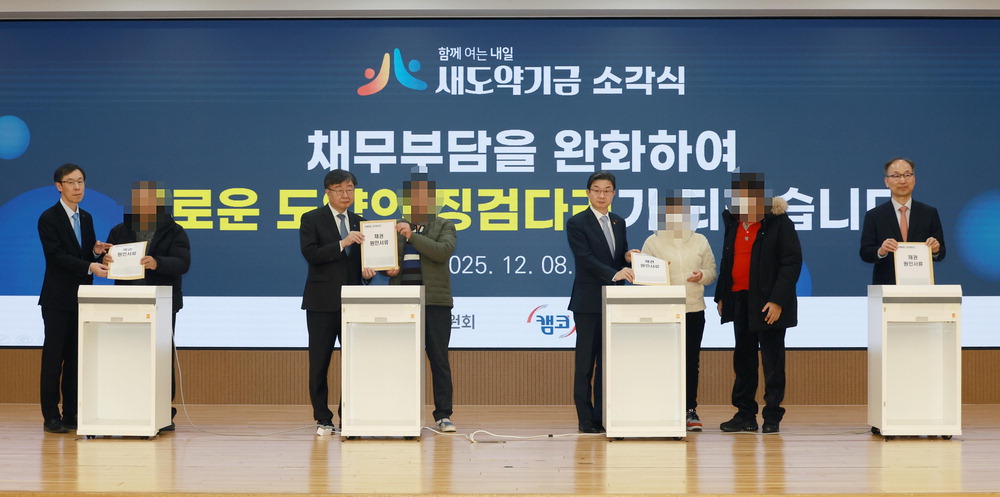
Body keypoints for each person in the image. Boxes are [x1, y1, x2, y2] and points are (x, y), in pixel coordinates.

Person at [714, 172, 801, 434]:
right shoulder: (733, 223)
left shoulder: (779, 223)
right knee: (743, 360)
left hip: (768, 303)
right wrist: (722, 295)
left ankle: (772, 416)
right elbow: (727, 260)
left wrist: (777, 301)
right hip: (739, 299)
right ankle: (745, 415)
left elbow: (791, 263)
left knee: (772, 362)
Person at [103, 181, 190, 431]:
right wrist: (104, 258)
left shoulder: (174, 231)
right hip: (126, 302)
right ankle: (126, 407)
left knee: (160, 357)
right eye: (138, 201)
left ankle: (163, 411)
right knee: (127, 355)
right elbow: (107, 261)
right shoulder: (120, 230)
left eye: (149, 200)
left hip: (160, 304)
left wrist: (157, 262)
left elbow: (183, 263)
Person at [299, 169, 374, 432]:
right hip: (321, 303)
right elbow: (311, 254)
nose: (346, 195)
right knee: (319, 362)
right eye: (340, 190)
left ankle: (348, 415)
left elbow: (364, 262)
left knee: (353, 361)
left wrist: (367, 274)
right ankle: (323, 417)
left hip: (353, 303)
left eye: (350, 189)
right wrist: (342, 243)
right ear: (328, 192)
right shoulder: (312, 219)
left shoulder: (361, 222)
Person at [37, 163, 109, 433]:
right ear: (59, 186)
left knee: (76, 359)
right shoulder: (49, 218)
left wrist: (95, 253)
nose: (77, 187)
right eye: (70, 182)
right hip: (57, 300)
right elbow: (56, 256)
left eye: (81, 181)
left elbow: (83, 256)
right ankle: (50, 416)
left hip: (82, 299)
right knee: (53, 360)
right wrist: (89, 265)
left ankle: (71, 413)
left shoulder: (86, 217)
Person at [384, 172, 458, 432]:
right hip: (402, 302)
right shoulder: (394, 227)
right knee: (400, 358)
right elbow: (386, 260)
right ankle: (400, 411)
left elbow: (442, 252)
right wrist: (385, 270)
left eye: (425, 197)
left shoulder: (444, 225)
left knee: (439, 359)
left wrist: (412, 236)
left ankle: (443, 415)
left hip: (435, 302)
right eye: (413, 197)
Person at [566, 171, 638, 433]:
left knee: (608, 363)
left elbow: (615, 258)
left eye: (607, 190)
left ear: (613, 194)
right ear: (588, 193)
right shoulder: (577, 222)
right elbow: (585, 258)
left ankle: (602, 417)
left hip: (614, 301)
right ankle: (585, 419)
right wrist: (613, 273)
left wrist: (627, 258)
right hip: (588, 302)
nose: (601, 195)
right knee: (586, 363)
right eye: (596, 190)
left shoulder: (618, 221)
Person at [639, 195, 717, 431]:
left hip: (693, 309)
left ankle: (689, 410)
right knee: (662, 360)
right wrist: (657, 273)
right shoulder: (652, 242)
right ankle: (662, 408)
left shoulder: (700, 240)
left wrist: (701, 276)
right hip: (663, 310)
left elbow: (712, 271)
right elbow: (642, 276)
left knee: (690, 361)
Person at [860, 157, 945, 284]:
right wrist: (881, 251)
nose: (902, 180)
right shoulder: (874, 215)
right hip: (887, 286)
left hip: (921, 285)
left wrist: (935, 249)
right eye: (896, 176)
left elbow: (941, 253)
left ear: (914, 179)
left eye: (907, 175)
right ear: (887, 181)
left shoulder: (929, 213)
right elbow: (865, 253)